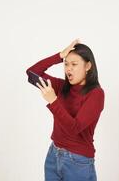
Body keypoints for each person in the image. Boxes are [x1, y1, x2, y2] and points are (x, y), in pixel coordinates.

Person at [26, 39, 105, 181]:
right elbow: (32, 73)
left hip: (78, 162)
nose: (68, 68)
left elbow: (75, 128)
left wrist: (53, 101)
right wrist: (60, 55)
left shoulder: (96, 94)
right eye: (66, 64)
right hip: (53, 155)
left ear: (88, 66)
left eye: (74, 64)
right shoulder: (62, 86)